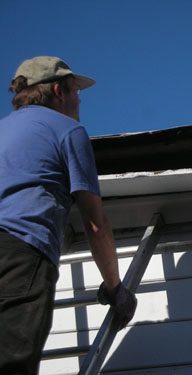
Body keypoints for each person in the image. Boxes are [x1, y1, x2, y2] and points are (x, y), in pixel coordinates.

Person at [0, 56, 136, 374]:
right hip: (20, 252)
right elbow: (94, 221)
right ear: (58, 90)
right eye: (76, 89)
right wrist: (115, 288)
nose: (80, 97)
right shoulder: (67, 131)